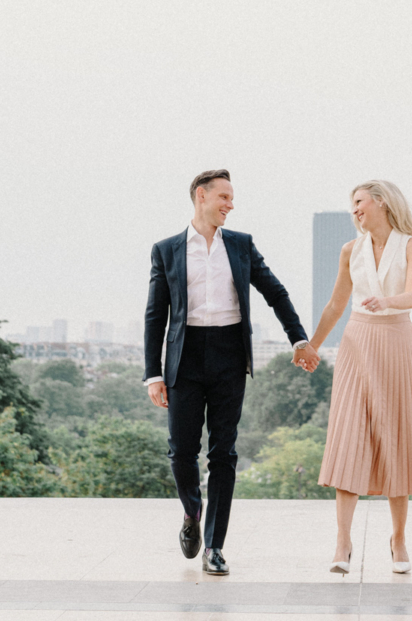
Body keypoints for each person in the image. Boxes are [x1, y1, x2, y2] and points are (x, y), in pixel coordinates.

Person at [144, 168, 318, 576]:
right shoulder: (166, 250)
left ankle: (215, 546)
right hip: (183, 358)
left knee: (224, 453)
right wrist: (153, 374)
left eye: (232, 198)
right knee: (182, 450)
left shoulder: (241, 246)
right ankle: (192, 512)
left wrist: (298, 339)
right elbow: (156, 316)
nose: (231, 204)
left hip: (228, 355)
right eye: (224, 197)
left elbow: (275, 292)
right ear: (201, 196)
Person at [309, 179, 412, 574]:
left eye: (358, 202)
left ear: (381, 202)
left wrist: (386, 301)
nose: (354, 210)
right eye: (352, 204)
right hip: (357, 342)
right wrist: (313, 345)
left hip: (397, 341)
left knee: (396, 438)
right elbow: (336, 304)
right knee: (349, 436)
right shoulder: (350, 250)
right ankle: (342, 541)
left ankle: (398, 539)